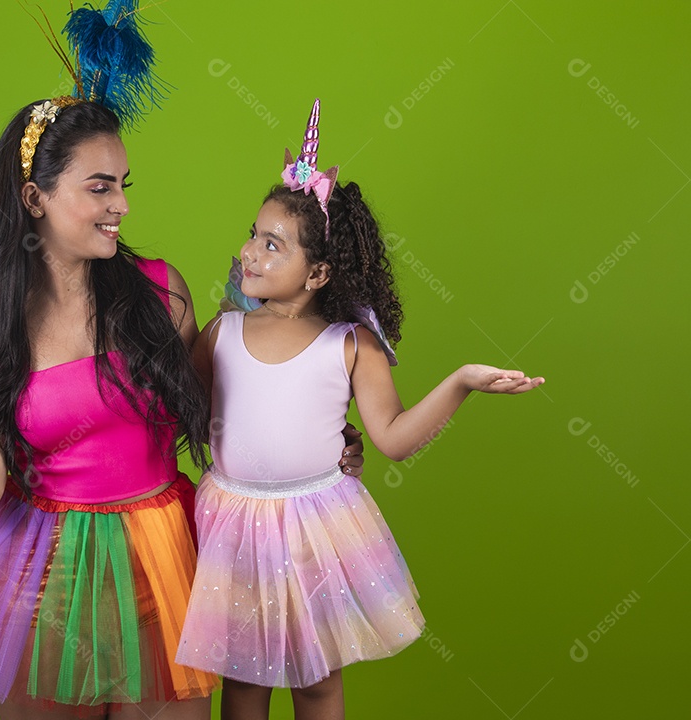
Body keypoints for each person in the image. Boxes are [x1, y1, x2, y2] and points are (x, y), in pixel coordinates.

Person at [0, 95, 365, 718]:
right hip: (44, 582)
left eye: (123, 185)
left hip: (163, 565)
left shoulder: (162, 292)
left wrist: (321, 442)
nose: (122, 205)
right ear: (35, 199)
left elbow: (224, 404)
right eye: (99, 187)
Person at [174, 99, 545, 720]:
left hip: (316, 527)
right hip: (233, 525)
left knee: (317, 681)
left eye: (273, 245)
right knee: (243, 682)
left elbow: (394, 438)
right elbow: (179, 409)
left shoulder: (350, 344)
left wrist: (461, 381)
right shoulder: (222, 332)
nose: (250, 253)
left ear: (318, 271)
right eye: (253, 235)